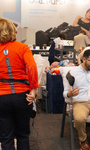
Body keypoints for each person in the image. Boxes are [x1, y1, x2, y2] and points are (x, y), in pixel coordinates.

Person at [0, 18, 39, 150]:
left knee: (6, 136)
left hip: (2, 97)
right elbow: (32, 68)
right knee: (23, 135)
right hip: (22, 96)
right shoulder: (22, 47)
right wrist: (33, 90)